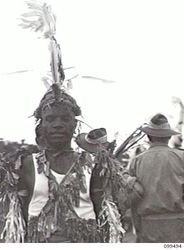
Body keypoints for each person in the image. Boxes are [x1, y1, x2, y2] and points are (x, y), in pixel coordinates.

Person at [17, 86, 124, 243]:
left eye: (65, 119)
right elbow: (20, 214)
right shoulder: (27, 164)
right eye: (50, 119)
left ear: (75, 125)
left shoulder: (92, 165)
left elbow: (103, 213)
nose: (58, 125)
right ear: (42, 126)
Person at [128, 113, 184, 242]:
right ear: (169, 136)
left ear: (148, 136)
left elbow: (133, 200)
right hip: (179, 226)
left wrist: (139, 231)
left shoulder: (137, 161)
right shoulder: (181, 157)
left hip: (148, 227)